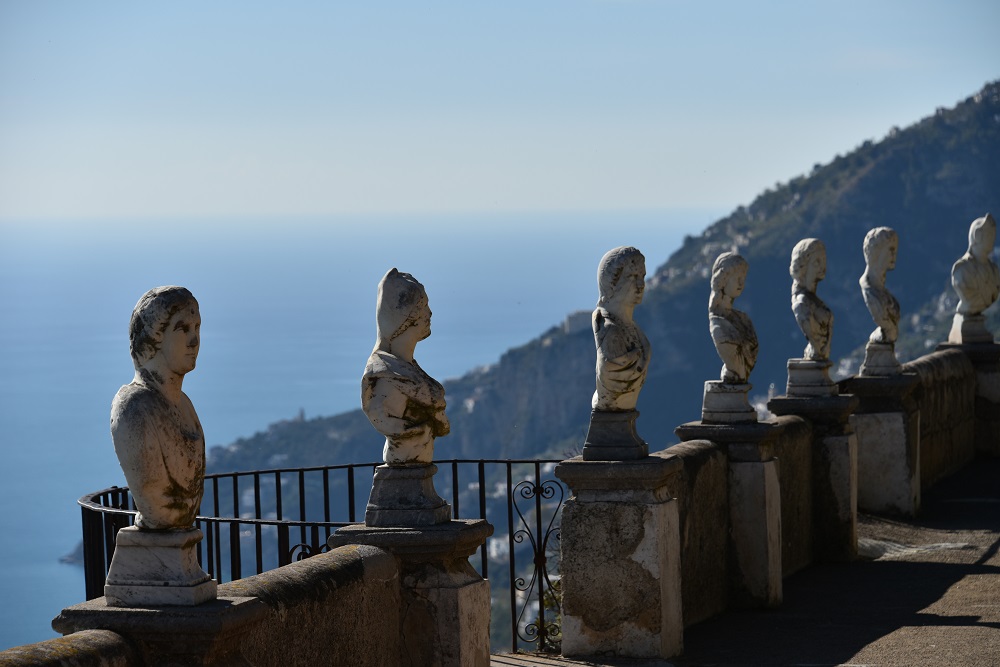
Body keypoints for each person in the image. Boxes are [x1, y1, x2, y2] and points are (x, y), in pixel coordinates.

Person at [111, 286, 204, 530]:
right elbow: (160, 509)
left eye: (197, 328)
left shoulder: (185, 406)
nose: (194, 341)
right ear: (155, 337)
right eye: (182, 329)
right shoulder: (134, 408)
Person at [362, 269, 449, 465]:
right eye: (424, 306)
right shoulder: (386, 376)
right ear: (408, 317)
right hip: (403, 459)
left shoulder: (406, 368)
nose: (430, 313)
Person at [592, 246, 651, 412]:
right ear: (612, 283)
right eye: (632, 277)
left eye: (643, 276)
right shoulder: (611, 331)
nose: (641, 284)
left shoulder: (631, 327)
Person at [709, 252, 757, 384]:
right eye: (737, 278)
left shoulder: (743, 319)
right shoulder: (718, 325)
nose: (742, 283)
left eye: (744, 278)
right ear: (724, 279)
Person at [790, 238, 833, 360]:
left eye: (823, 260)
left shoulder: (814, 301)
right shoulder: (802, 304)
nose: (822, 266)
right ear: (803, 267)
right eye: (816, 262)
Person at [952, 213, 999, 317]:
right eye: (990, 235)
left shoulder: (994, 271)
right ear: (977, 236)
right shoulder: (962, 269)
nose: (993, 239)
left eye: (994, 234)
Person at [859, 227, 900, 344]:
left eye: (895, 250)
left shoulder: (882, 292)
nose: (894, 254)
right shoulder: (870, 291)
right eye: (890, 249)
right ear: (876, 251)